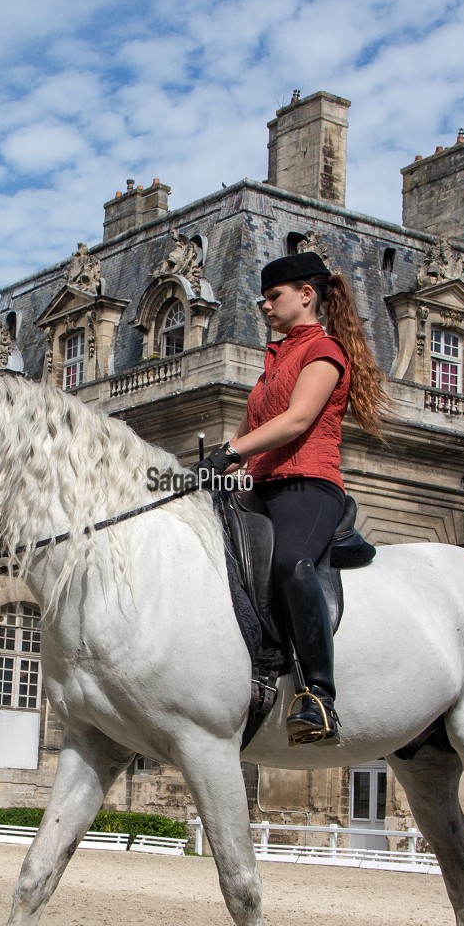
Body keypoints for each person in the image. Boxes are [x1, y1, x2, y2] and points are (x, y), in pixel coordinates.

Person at [195, 250, 385, 744]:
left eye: (273, 296)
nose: (264, 305)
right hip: (261, 487)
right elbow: (247, 431)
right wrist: (211, 467)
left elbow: (297, 421)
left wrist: (233, 450)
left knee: (291, 564)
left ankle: (319, 695)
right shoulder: (272, 363)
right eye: (262, 298)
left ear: (306, 296)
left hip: (309, 485)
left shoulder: (324, 352)